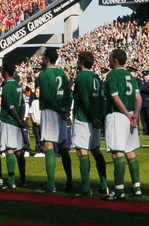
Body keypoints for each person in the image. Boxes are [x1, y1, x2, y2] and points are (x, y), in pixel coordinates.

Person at [103, 49, 142, 201]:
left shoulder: (112, 75)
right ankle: (137, 188)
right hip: (131, 116)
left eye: (110, 58)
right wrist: (135, 116)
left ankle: (119, 191)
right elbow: (138, 98)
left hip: (118, 116)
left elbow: (115, 99)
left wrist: (126, 114)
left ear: (115, 60)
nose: (109, 60)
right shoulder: (130, 77)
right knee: (130, 152)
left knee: (117, 153)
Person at [72, 52, 109, 197]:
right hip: (95, 118)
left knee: (82, 152)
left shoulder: (81, 77)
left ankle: (86, 188)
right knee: (96, 151)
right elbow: (101, 98)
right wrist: (99, 117)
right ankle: (104, 185)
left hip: (84, 118)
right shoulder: (96, 77)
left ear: (81, 61)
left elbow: (84, 100)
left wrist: (93, 117)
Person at [39, 49, 72, 192]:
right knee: (63, 146)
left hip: (51, 111)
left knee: (48, 146)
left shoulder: (44, 74)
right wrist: (65, 110)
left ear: (46, 58)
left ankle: (51, 184)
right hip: (62, 111)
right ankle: (70, 181)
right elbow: (69, 95)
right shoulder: (62, 74)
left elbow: (46, 95)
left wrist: (59, 110)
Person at [0, 60, 27, 190]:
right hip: (17, 122)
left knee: (9, 150)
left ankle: (11, 181)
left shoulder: (7, 87)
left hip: (9, 120)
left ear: (5, 72)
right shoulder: (18, 85)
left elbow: (10, 107)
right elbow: (23, 104)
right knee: (19, 150)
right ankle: (23, 179)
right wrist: (21, 119)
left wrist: (17, 118)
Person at [139, 71, 149, 136]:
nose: (145, 77)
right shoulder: (141, 83)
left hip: (148, 102)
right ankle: (145, 130)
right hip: (142, 102)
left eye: (146, 75)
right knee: (143, 118)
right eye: (144, 75)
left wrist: (143, 86)